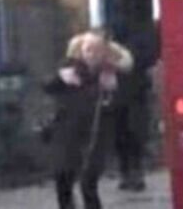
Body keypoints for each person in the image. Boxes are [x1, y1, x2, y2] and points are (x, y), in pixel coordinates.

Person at [45, 29, 133, 209]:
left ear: (105, 52)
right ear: (81, 49)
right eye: (88, 49)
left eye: (97, 49)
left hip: (96, 135)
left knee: (88, 183)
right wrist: (60, 78)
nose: (92, 54)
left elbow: (125, 105)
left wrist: (113, 91)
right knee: (63, 179)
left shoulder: (110, 74)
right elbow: (47, 86)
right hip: (67, 132)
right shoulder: (70, 67)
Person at [111, 20, 158, 191]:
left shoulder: (112, 51)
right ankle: (135, 174)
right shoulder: (137, 48)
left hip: (119, 100)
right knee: (134, 137)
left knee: (122, 138)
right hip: (134, 100)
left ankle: (127, 174)